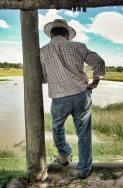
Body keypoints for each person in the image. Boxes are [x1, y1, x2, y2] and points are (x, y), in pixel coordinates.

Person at [40, 19, 105, 179]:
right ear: (67, 35)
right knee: (84, 134)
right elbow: (99, 62)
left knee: (57, 127)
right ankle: (84, 170)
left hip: (59, 98)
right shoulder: (78, 46)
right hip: (82, 95)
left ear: (52, 34)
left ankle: (63, 154)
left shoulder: (43, 51)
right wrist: (95, 81)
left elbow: (44, 79)